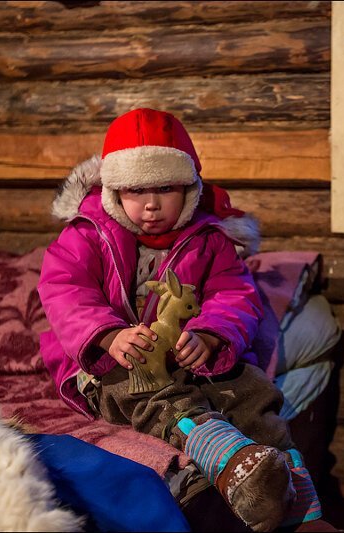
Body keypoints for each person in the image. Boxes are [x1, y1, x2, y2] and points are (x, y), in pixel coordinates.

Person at [37, 108, 328, 532]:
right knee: (142, 395)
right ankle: (230, 461)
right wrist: (108, 336)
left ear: (190, 187)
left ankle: (303, 510)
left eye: (166, 188)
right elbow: (66, 292)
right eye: (136, 190)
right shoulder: (85, 235)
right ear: (113, 190)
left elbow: (234, 294)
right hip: (114, 360)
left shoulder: (209, 239)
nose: (151, 205)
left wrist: (211, 336)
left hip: (189, 356)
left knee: (251, 389)